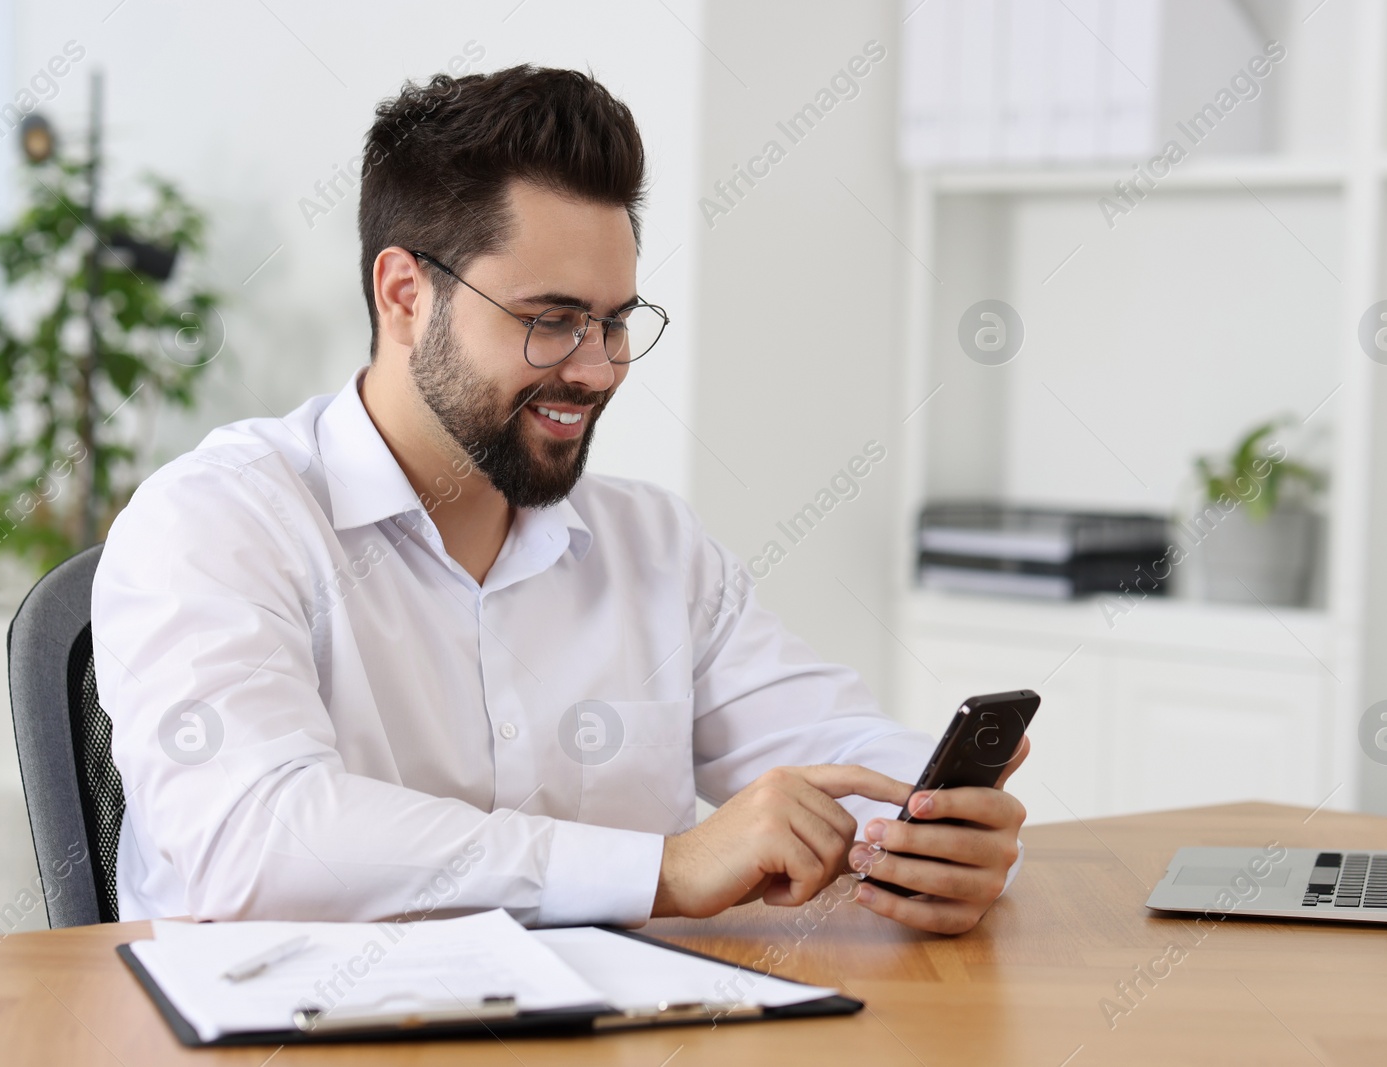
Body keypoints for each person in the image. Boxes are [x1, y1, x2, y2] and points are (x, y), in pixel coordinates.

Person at [94, 63, 1027, 936]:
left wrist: (931, 828)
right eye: (550, 322)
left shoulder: (653, 546)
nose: (596, 369)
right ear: (405, 294)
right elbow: (253, 840)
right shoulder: (214, 523)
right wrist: (664, 868)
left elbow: (841, 746)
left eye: (616, 321)